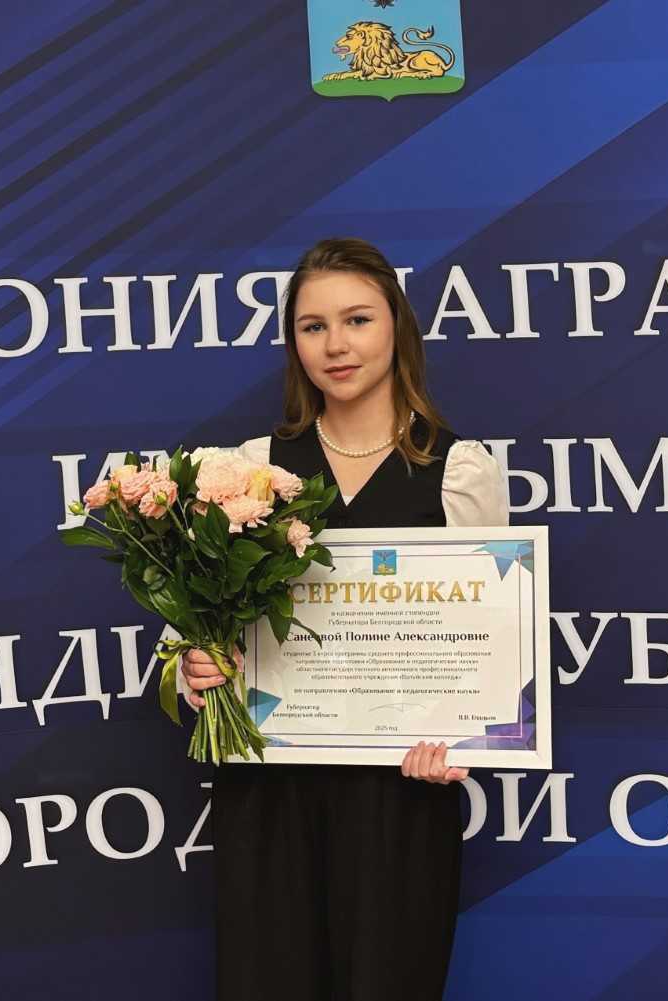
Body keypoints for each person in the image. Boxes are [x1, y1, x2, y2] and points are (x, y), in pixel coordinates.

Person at [180, 237, 508, 1001]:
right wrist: (199, 667)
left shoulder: (460, 471)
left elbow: (489, 649)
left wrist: (462, 735)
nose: (336, 344)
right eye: (313, 325)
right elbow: (199, 632)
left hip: (403, 798)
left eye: (357, 319)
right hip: (270, 795)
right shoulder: (251, 468)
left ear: (396, 325)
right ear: (293, 341)